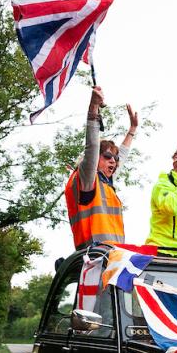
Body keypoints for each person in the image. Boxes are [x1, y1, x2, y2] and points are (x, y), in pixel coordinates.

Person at [64, 86, 138, 250]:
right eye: (107, 156)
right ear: (95, 158)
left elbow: (122, 155)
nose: (113, 161)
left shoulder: (105, 182)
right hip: (94, 257)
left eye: (115, 159)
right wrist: (93, 108)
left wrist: (132, 130)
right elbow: (92, 146)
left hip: (113, 257)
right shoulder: (87, 179)